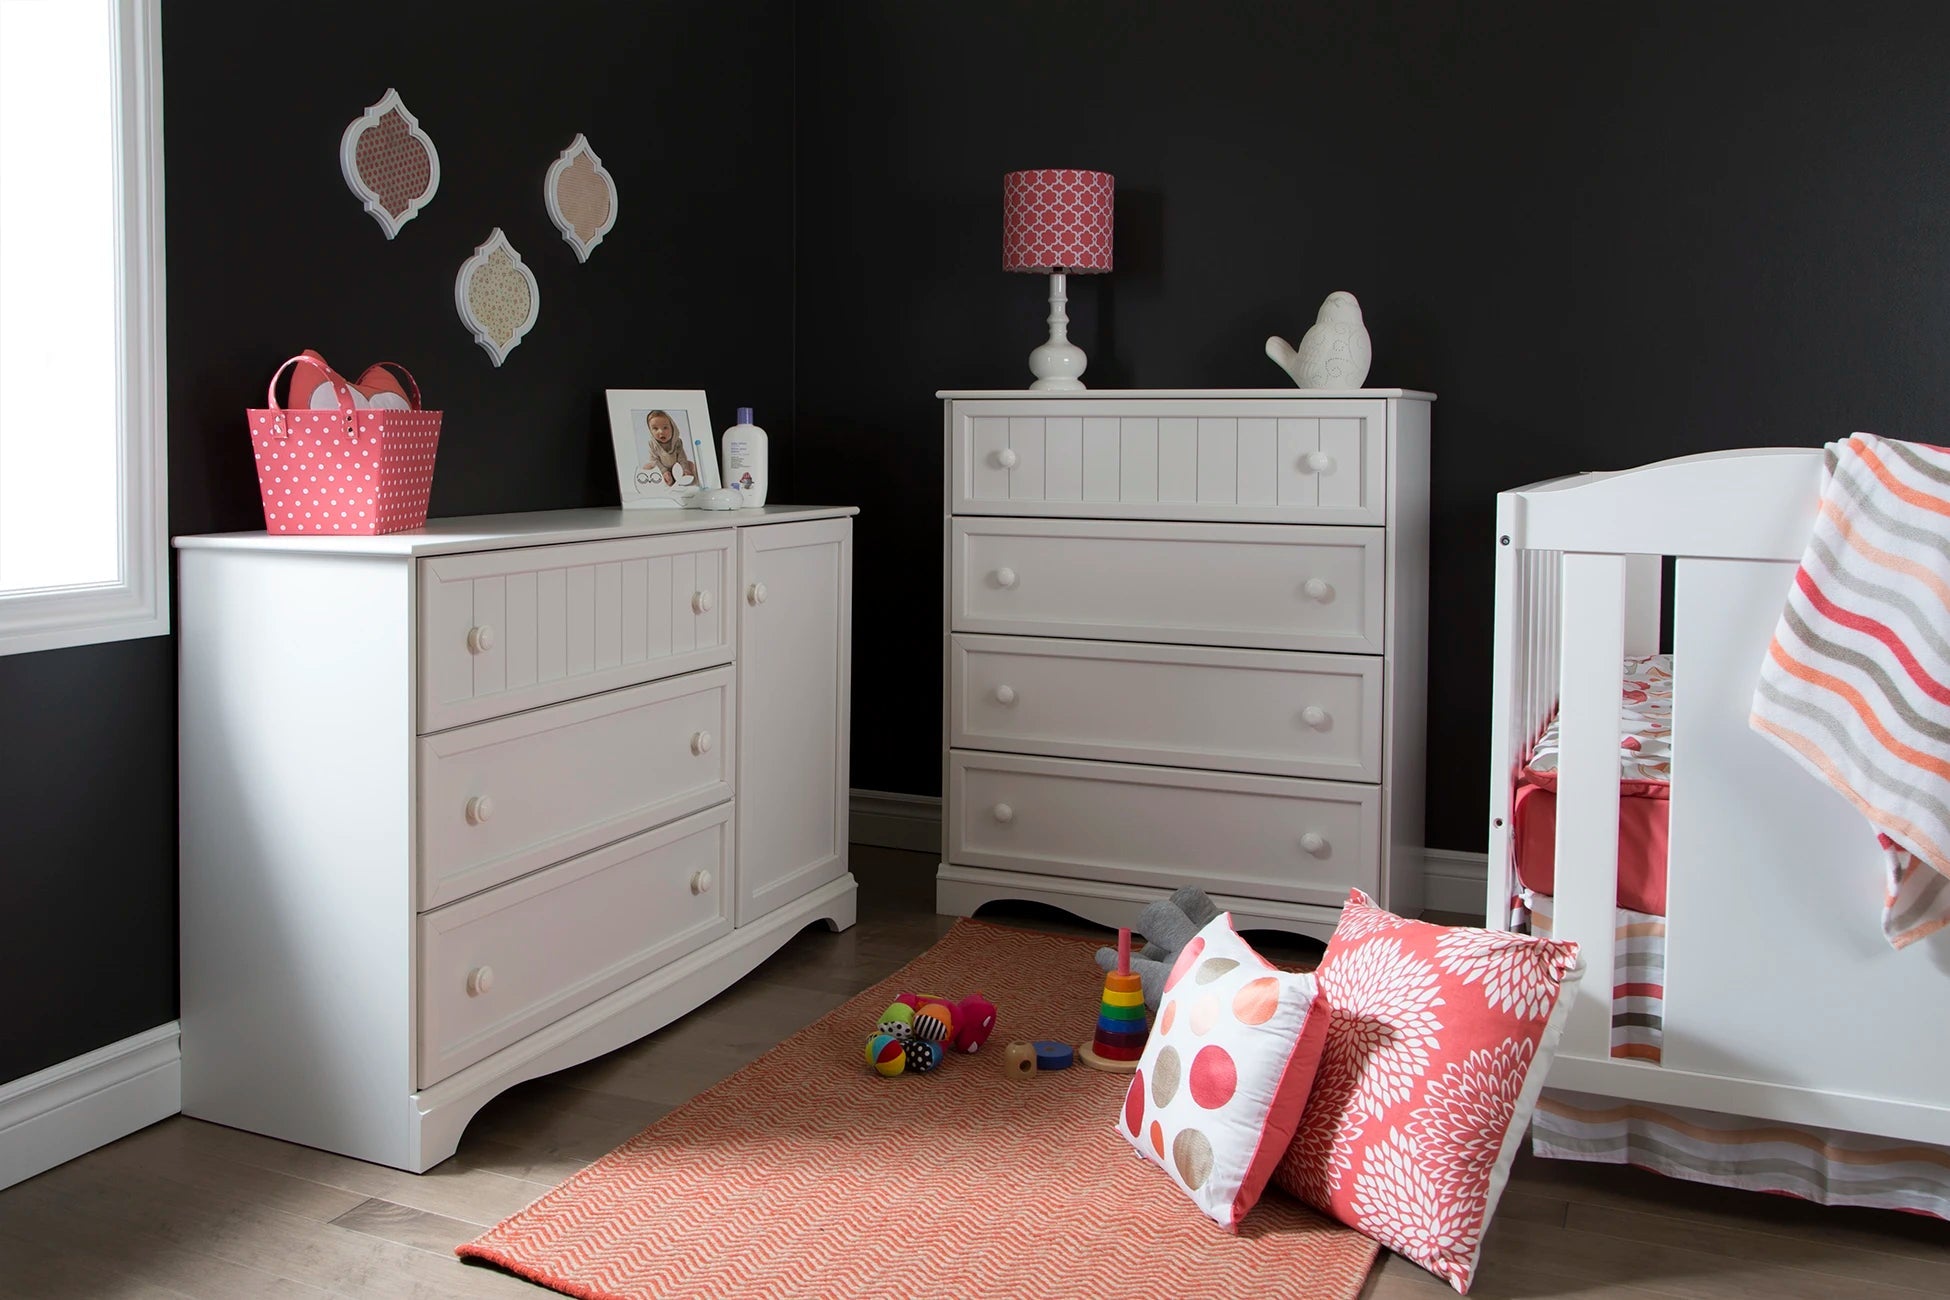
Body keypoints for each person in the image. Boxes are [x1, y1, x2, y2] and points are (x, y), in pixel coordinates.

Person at [638, 409, 697, 485]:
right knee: (647, 467)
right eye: (655, 428)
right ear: (650, 430)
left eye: (665, 428)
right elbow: (655, 460)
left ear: (672, 428)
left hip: (677, 468)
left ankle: (685, 482)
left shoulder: (677, 442)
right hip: (661, 469)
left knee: (691, 465)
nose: (661, 432)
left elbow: (682, 458)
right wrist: (664, 471)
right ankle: (666, 482)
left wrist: (684, 469)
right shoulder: (652, 444)